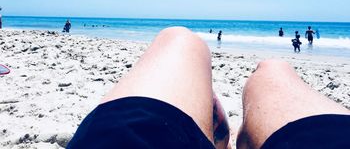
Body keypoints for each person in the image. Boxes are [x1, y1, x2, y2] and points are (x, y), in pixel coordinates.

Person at [67, 27, 350, 149]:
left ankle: (217, 134)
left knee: (178, 38)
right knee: (274, 69)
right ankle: (247, 136)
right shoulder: (305, 34)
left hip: (131, 140)